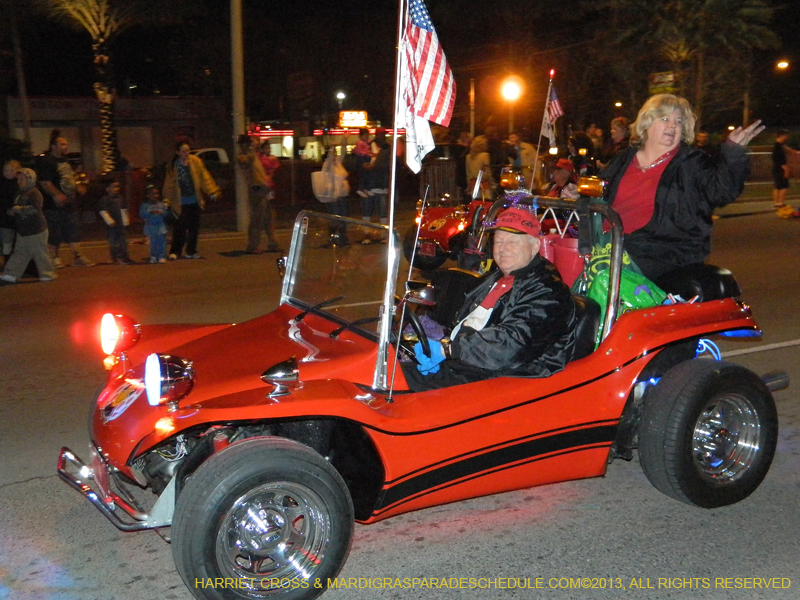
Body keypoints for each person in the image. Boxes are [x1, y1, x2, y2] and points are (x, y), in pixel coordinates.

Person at [402, 206, 578, 392]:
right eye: (498, 241)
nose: (503, 249)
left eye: (513, 241)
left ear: (535, 246)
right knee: (386, 375)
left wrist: (448, 350)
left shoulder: (548, 291)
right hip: (466, 366)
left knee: (403, 401)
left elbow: (511, 345)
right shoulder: (494, 278)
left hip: (509, 379)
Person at [600, 93, 764, 282]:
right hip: (608, 244)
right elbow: (600, 192)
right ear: (646, 123)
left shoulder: (691, 162)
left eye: (678, 121)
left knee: (607, 276)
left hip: (661, 252)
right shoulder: (623, 158)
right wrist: (576, 194)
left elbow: (721, 191)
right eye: (664, 119)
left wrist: (733, 152)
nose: (673, 125)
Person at [34, 130, 94, 268]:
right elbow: (45, 182)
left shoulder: (65, 160)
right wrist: (56, 194)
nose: (66, 147)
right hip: (53, 204)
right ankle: (54, 257)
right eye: (62, 144)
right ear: (54, 146)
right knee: (54, 231)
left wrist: (77, 186)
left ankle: (77, 256)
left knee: (73, 229)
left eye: (66, 144)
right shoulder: (46, 161)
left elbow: (69, 177)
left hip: (70, 202)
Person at [162, 138, 221, 260]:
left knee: (194, 227)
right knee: (180, 228)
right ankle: (175, 251)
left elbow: (204, 177)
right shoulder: (173, 166)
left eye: (188, 151)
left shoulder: (196, 161)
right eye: (183, 151)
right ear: (177, 152)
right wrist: (166, 200)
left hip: (194, 200)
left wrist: (212, 191)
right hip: (180, 202)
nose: (186, 153)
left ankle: (191, 251)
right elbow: (169, 184)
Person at [0, 168, 56, 284]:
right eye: (18, 179)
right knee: (20, 252)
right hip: (23, 230)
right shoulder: (20, 194)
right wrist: (12, 211)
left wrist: (18, 209)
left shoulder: (35, 193)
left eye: (22, 179)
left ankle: (47, 273)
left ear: (30, 179)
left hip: (36, 229)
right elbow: (18, 208)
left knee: (40, 252)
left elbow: (35, 209)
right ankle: (11, 274)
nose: (19, 182)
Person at [238, 135, 280, 254]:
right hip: (257, 189)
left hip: (265, 188)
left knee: (269, 216)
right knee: (257, 218)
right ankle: (252, 245)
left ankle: (273, 243)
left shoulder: (255, 156)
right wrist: (253, 149)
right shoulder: (244, 157)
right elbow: (246, 161)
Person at [360, 128, 390, 243]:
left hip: (381, 183)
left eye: (383, 134)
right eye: (380, 134)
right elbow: (359, 161)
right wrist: (363, 165)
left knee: (382, 211)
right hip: (369, 183)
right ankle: (367, 235)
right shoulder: (367, 146)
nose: (381, 136)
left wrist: (373, 167)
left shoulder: (387, 148)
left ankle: (384, 234)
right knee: (367, 211)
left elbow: (387, 164)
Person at [99, 175, 132, 265]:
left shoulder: (120, 198)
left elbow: (123, 210)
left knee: (123, 241)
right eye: (114, 187)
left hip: (121, 224)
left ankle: (125, 256)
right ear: (107, 189)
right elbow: (103, 211)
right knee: (113, 242)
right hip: (112, 226)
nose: (116, 189)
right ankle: (115, 257)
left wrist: (126, 221)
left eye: (117, 187)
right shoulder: (105, 199)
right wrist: (110, 221)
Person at [139, 185, 168, 263]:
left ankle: (161, 256)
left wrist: (162, 213)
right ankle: (153, 256)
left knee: (161, 242)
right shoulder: (145, 205)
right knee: (153, 242)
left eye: (157, 194)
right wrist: (150, 212)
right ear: (148, 195)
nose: (155, 196)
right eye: (153, 194)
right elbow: (142, 214)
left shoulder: (161, 204)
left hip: (160, 225)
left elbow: (165, 213)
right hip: (150, 226)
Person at [1, 160, 21, 268]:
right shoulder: (3, 185)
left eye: (11, 170)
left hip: (16, 220)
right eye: (5, 170)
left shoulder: (19, 184)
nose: (7, 172)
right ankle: (8, 264)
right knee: (7, 243)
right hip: (5, 220)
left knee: (16, 243)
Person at [772, 129, 797, 209]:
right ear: (782, 136)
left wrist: (791, 150)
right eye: (786, 136)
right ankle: (780, 203)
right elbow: (778, 159)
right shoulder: (778, 148)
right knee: (783, 186)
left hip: (776, 168)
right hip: (781, 168)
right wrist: (786, 169)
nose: (787, 137)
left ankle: (776, 203)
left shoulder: (777, 145)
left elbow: (784, 147)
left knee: (777, 186)